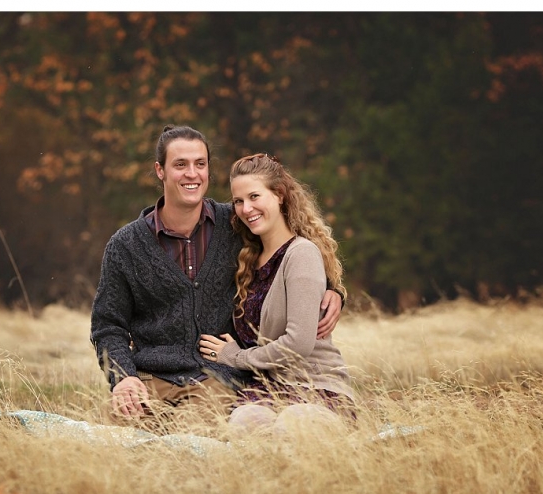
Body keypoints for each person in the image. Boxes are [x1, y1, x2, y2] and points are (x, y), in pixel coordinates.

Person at [90, 126, 345, 428]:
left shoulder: (235, 223)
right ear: (160, 170)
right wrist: (123, 378)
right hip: (149, 378)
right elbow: (108, 325)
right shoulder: (126, 245)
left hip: (215, 378)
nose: (192, 174)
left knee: (190, 440)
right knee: (112, 439)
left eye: (200, 164)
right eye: (180, 165)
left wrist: (334, 289)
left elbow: (293, 246)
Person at [198, 153, 356, 426]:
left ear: (280, 195)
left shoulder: (302, 253)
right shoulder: (247, 256)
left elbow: (298, 343)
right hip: (269, 390)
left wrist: (236, 357)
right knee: (244, 425)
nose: (246, 208)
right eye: (238, 201)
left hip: (315, 384)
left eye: (255, 196)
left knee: (294, 424)